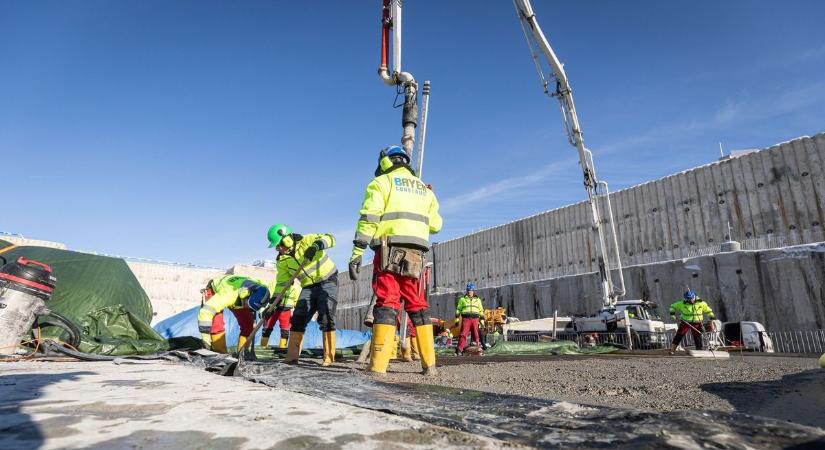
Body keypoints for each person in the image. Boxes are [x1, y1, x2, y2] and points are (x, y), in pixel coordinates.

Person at [348, 145, 442, 375]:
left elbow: (370, 217)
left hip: (389, 249)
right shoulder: (425, 189)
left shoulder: (381, 183)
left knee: (387, 301)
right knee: (417, 303)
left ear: (385, 162)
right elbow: (436, 225)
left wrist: (357, 251)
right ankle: (430, 365)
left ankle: (378, 365)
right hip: (416, 253)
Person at [267, 224, 338, 366]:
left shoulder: (307, 240)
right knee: (298, 318)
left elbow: (331, 238)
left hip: (327, 279)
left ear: (286, 239)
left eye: (278, 245)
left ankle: (329, 357)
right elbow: (282, 282)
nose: (277, 248)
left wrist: (317, 245)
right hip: (307, 286)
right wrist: (274, 300)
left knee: (326, 316)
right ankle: (292, 357)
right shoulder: (281, 259)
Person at [197, 275, 269, 353]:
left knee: (248, 325)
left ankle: (243, 353)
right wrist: (206, 341)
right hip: (216, 290)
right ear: (245, 295)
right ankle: (220, 353)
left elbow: (262, 298)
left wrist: (264, 310)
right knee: (216, 325)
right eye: (247, 305)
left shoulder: (261, 289)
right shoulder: (228, 296)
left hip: (239, 293)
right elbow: (205, 312)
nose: (247, 308)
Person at [669, 289, 716, 354]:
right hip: (685, 322)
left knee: (697, 337)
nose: (690, 300)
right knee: (679, 335)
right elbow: (672, 306)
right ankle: (672, 350)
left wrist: (711, 316)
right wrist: (672, 314)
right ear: (685, 298)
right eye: (688, 299)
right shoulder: (681, 303)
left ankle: (699, 350)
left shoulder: (701, 303)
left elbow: (708, 311)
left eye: (692, 298)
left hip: (697, 322)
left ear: (694, 296)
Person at [260, 278, 300, 348]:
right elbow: (267, 296)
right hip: (273, 309)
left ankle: (282, 348)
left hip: (286, 310)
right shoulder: (274, 283)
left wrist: (296, 313)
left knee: (285, 331)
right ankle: (263, 346)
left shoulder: (296, 286)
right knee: (267, 328)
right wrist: (263, 310)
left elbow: (297, 301)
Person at [455, 283, 484, 356]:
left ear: (473, 291)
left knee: (476, 335)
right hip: (466, 319)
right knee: (463, 334)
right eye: (468, 290)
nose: (469, 292)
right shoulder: (462, 299)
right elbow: (458, 309)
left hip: (475, 319)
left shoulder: (478, 300)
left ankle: (478, 350)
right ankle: (459, 350)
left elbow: (481, 310)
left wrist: (482, 321)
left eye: (470, 290)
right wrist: (457, 319)